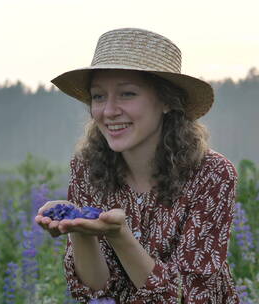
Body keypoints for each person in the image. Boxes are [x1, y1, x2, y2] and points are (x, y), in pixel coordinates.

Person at [35, 28, 239, 304]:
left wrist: (119, 235)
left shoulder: (211, 175)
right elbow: (94, 291)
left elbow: (185, 297)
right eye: (98, 96)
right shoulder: (87, 169)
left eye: (127, 94)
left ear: (167, 101)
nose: (108, 111)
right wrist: (79, 228)